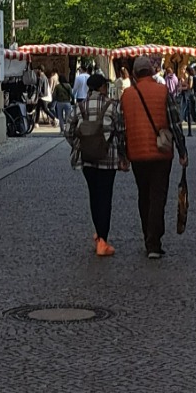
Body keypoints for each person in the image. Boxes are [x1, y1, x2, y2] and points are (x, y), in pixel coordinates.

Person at [121, 54, 188, 259]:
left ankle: (148, 237)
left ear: (134, 74)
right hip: (161, 153)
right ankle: (154, 243)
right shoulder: (163, 91)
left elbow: (121, 128)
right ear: (151, 72)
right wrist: (182, 151)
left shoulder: (127, 95)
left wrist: (123, 155)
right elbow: (175, 122)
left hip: (136, 153)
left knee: (144, 195)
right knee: (158, 196)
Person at [66, 70, 127, 255]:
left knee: (94, 195)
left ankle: (99, 233)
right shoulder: (113, 106)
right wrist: (123, 156)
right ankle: (102, 240)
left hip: (87, 159)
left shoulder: (80, 106)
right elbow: (121, 131)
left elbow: (68, 130)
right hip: (108, 158)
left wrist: (79, 145)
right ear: (102, 87)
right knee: (105, 197)